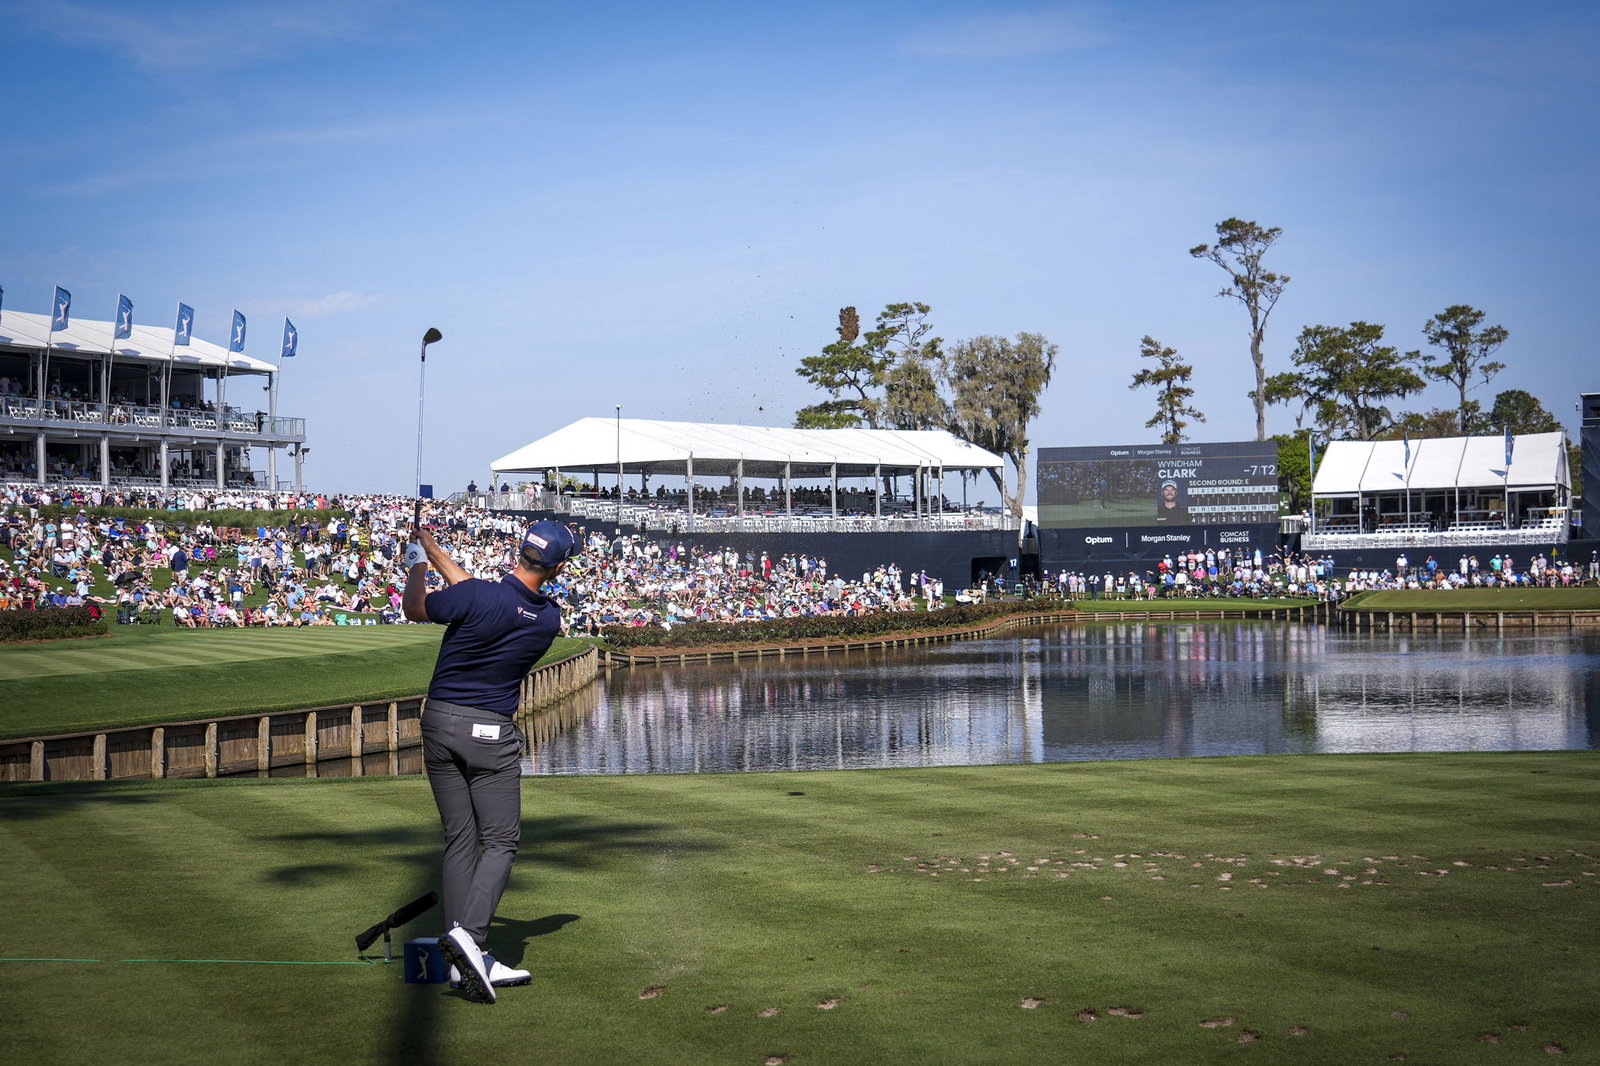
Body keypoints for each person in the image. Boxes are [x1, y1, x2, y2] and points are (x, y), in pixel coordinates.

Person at [403, 518, 575, 1005]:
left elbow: (417, 607)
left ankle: (464, 961)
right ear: (557, 568)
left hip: (438, 722)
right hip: (489, 734)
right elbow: (487, 596)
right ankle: (469, 939)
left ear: (520, 551)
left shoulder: (478, 595)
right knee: (500, 841)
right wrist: (432, 547)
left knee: (460, 838)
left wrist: (417, 563)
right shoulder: (548, 619)